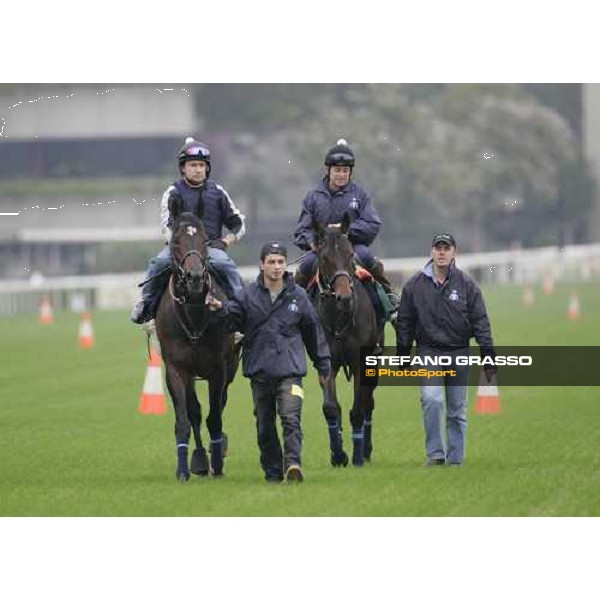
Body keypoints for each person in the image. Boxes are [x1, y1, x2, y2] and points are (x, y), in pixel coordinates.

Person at [207, 241, 331, 483]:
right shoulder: (246, 295)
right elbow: (231, 321)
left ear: (286, 265)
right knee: (265, 426)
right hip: (260, 372)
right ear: (262, 265)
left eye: (280, 262)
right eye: (271, 262)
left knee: (290, 417)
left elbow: (313, 333)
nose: (276, 267)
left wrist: (323, 363)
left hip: (291, 371)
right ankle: (273, 472)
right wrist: (218, 310)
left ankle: (293, 464)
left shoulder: (299, 296)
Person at [395, 233, 497, 466]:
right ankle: (435, 455)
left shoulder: (467, 285)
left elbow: (481, 322)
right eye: (438, 248)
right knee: (432, 399)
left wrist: (488, 358)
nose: (441, 252)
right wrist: (403, 355)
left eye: (446, 248)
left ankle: (456, 460)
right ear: (431, 252)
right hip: (429, 351)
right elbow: (405, 322)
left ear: (454, 252)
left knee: (456, 411)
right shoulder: (414, 286)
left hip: (459, 351)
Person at [130, 136, 246, 324]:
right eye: (193, 165)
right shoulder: (173, 192)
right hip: (180, 249)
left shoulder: (217, 192)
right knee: (158, 263)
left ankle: (242, 308)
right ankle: (146, 305)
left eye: (201, 165)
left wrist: (226, 241)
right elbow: (167, 226)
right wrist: (181, 246)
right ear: (183, 168)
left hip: (210, 249)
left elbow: (238, 223)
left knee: (227, 266)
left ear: (207, 168)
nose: (198, 169)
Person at [292, 138, 398, 314]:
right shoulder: (313, 197)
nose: (341, 174)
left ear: (350, 172)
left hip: (352, 247)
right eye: (337, 170)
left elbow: (373, 223)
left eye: (345, 171)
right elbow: (302, 230)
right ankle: (292, 308)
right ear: (328, 170)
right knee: (306, 265)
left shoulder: (360, 194)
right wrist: (312, 242)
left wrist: (345, 230)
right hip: (322, 250)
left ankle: (390, 300)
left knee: (368, 257)